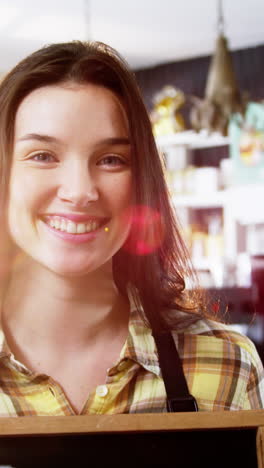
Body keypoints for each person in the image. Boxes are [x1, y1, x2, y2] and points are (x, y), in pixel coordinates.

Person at [0, 41, 262, 417]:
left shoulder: (227, 365)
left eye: (110, 160)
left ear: (142, 183)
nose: (80, 192)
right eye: (43, 156)